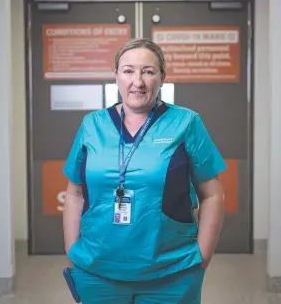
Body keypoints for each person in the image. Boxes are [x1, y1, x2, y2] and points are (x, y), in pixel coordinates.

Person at [62, 38, 227, 304]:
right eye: (128, 71)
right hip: (97, 272)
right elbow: (75, 193)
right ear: (116, 76)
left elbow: (212, 194)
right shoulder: (92, 125)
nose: (137, 81)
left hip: (172, 272)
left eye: (148, 71)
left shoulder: (186, 123)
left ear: (162, 77)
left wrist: (202, 256)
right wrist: (72, 249)